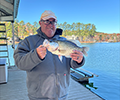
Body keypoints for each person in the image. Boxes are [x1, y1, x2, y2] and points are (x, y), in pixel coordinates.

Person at [13, 10, 85, 100]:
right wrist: (36, 56)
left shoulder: (65, 41)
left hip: (62, 95)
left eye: (53, 22)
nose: (51, 25)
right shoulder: (28, 41)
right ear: (40, 23)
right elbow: (19, 63)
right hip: (38, 97)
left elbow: (71, 63)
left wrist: (79, 60)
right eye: (47, 21)